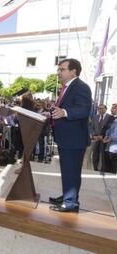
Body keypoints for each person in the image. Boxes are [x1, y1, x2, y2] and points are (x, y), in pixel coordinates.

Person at [48, 58, 92, 213]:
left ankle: (71, 203)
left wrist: (64, 112)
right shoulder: (66, 87)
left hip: (74, 138)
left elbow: (84, 110)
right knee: (67, 170)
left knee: (71, 170)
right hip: (67, 137)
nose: (59, 72)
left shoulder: (81, 87)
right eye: (59, 69)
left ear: (73, 71)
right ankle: (68, 196)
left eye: (62, 69)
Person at [90, 104, 111, 172]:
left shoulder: (110, 117)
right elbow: (91, 128)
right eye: (99, 108)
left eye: (102, 108)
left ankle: (104, 169)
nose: (100, 110)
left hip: (105, 140)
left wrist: (104, 136)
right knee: (95, 155)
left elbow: (110, 129)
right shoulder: (95, 117)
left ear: (106, 109)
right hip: (96, 139)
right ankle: (95, 169)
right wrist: (94, 136)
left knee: (103, 156)